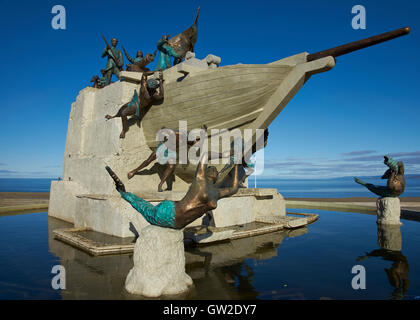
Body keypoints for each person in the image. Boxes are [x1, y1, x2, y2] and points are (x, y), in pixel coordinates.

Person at [105, 152, 240, 229]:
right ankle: (123, 192)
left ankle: (124, 192)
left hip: (177, 223)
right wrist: (226, 154)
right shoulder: (199, 179)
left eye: (215, 168)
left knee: (144, 208)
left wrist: (236, 165)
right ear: (205, 172)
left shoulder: (216, 192)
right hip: (169, 213)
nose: (215, 169)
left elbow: (234, 188)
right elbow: (205, 155)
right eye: (211, 167)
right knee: (143, 207)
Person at [127, 125, 207, 192]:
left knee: (171, 166)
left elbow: (197, 144)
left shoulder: (189, 140)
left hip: (171, 152)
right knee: (148, 161)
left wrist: (203, 134)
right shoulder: (176, 133)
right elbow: (163, 129)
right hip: (163, 147)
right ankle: (134, 171)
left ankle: (160, 184)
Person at [105, 71, 164, 138]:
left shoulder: (144, 88)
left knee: (123, 113)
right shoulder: (153, 95)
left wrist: (154, 71)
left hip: (135, 105)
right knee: (122, 110)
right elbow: (161, 95)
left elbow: (144, 74)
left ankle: (123, 131)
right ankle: (113, 116)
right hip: (135, 104)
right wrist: (161, 81)